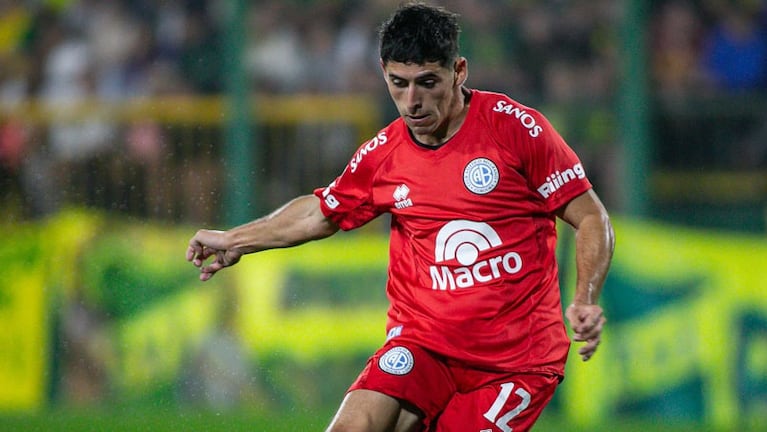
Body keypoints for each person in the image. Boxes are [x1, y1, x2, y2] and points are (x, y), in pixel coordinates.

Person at [186, 3, 615, 431]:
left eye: (428, 83)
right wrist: (236, 240)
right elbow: (322, 212)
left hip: (515, 362)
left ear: (459, 71)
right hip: (424, 344)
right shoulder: (385, 155)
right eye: (399, 84)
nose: (412, 102)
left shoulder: (517, 130)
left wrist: (585, 298)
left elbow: (592, 217)